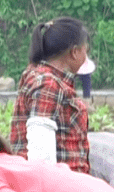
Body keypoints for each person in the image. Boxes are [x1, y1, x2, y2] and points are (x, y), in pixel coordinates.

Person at [10, 17, 92, 173]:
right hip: (57, 189)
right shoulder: (48, 85)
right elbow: (41, 158)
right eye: (85, 52)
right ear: (74, 52)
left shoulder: (43, 77)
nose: (85, 59)